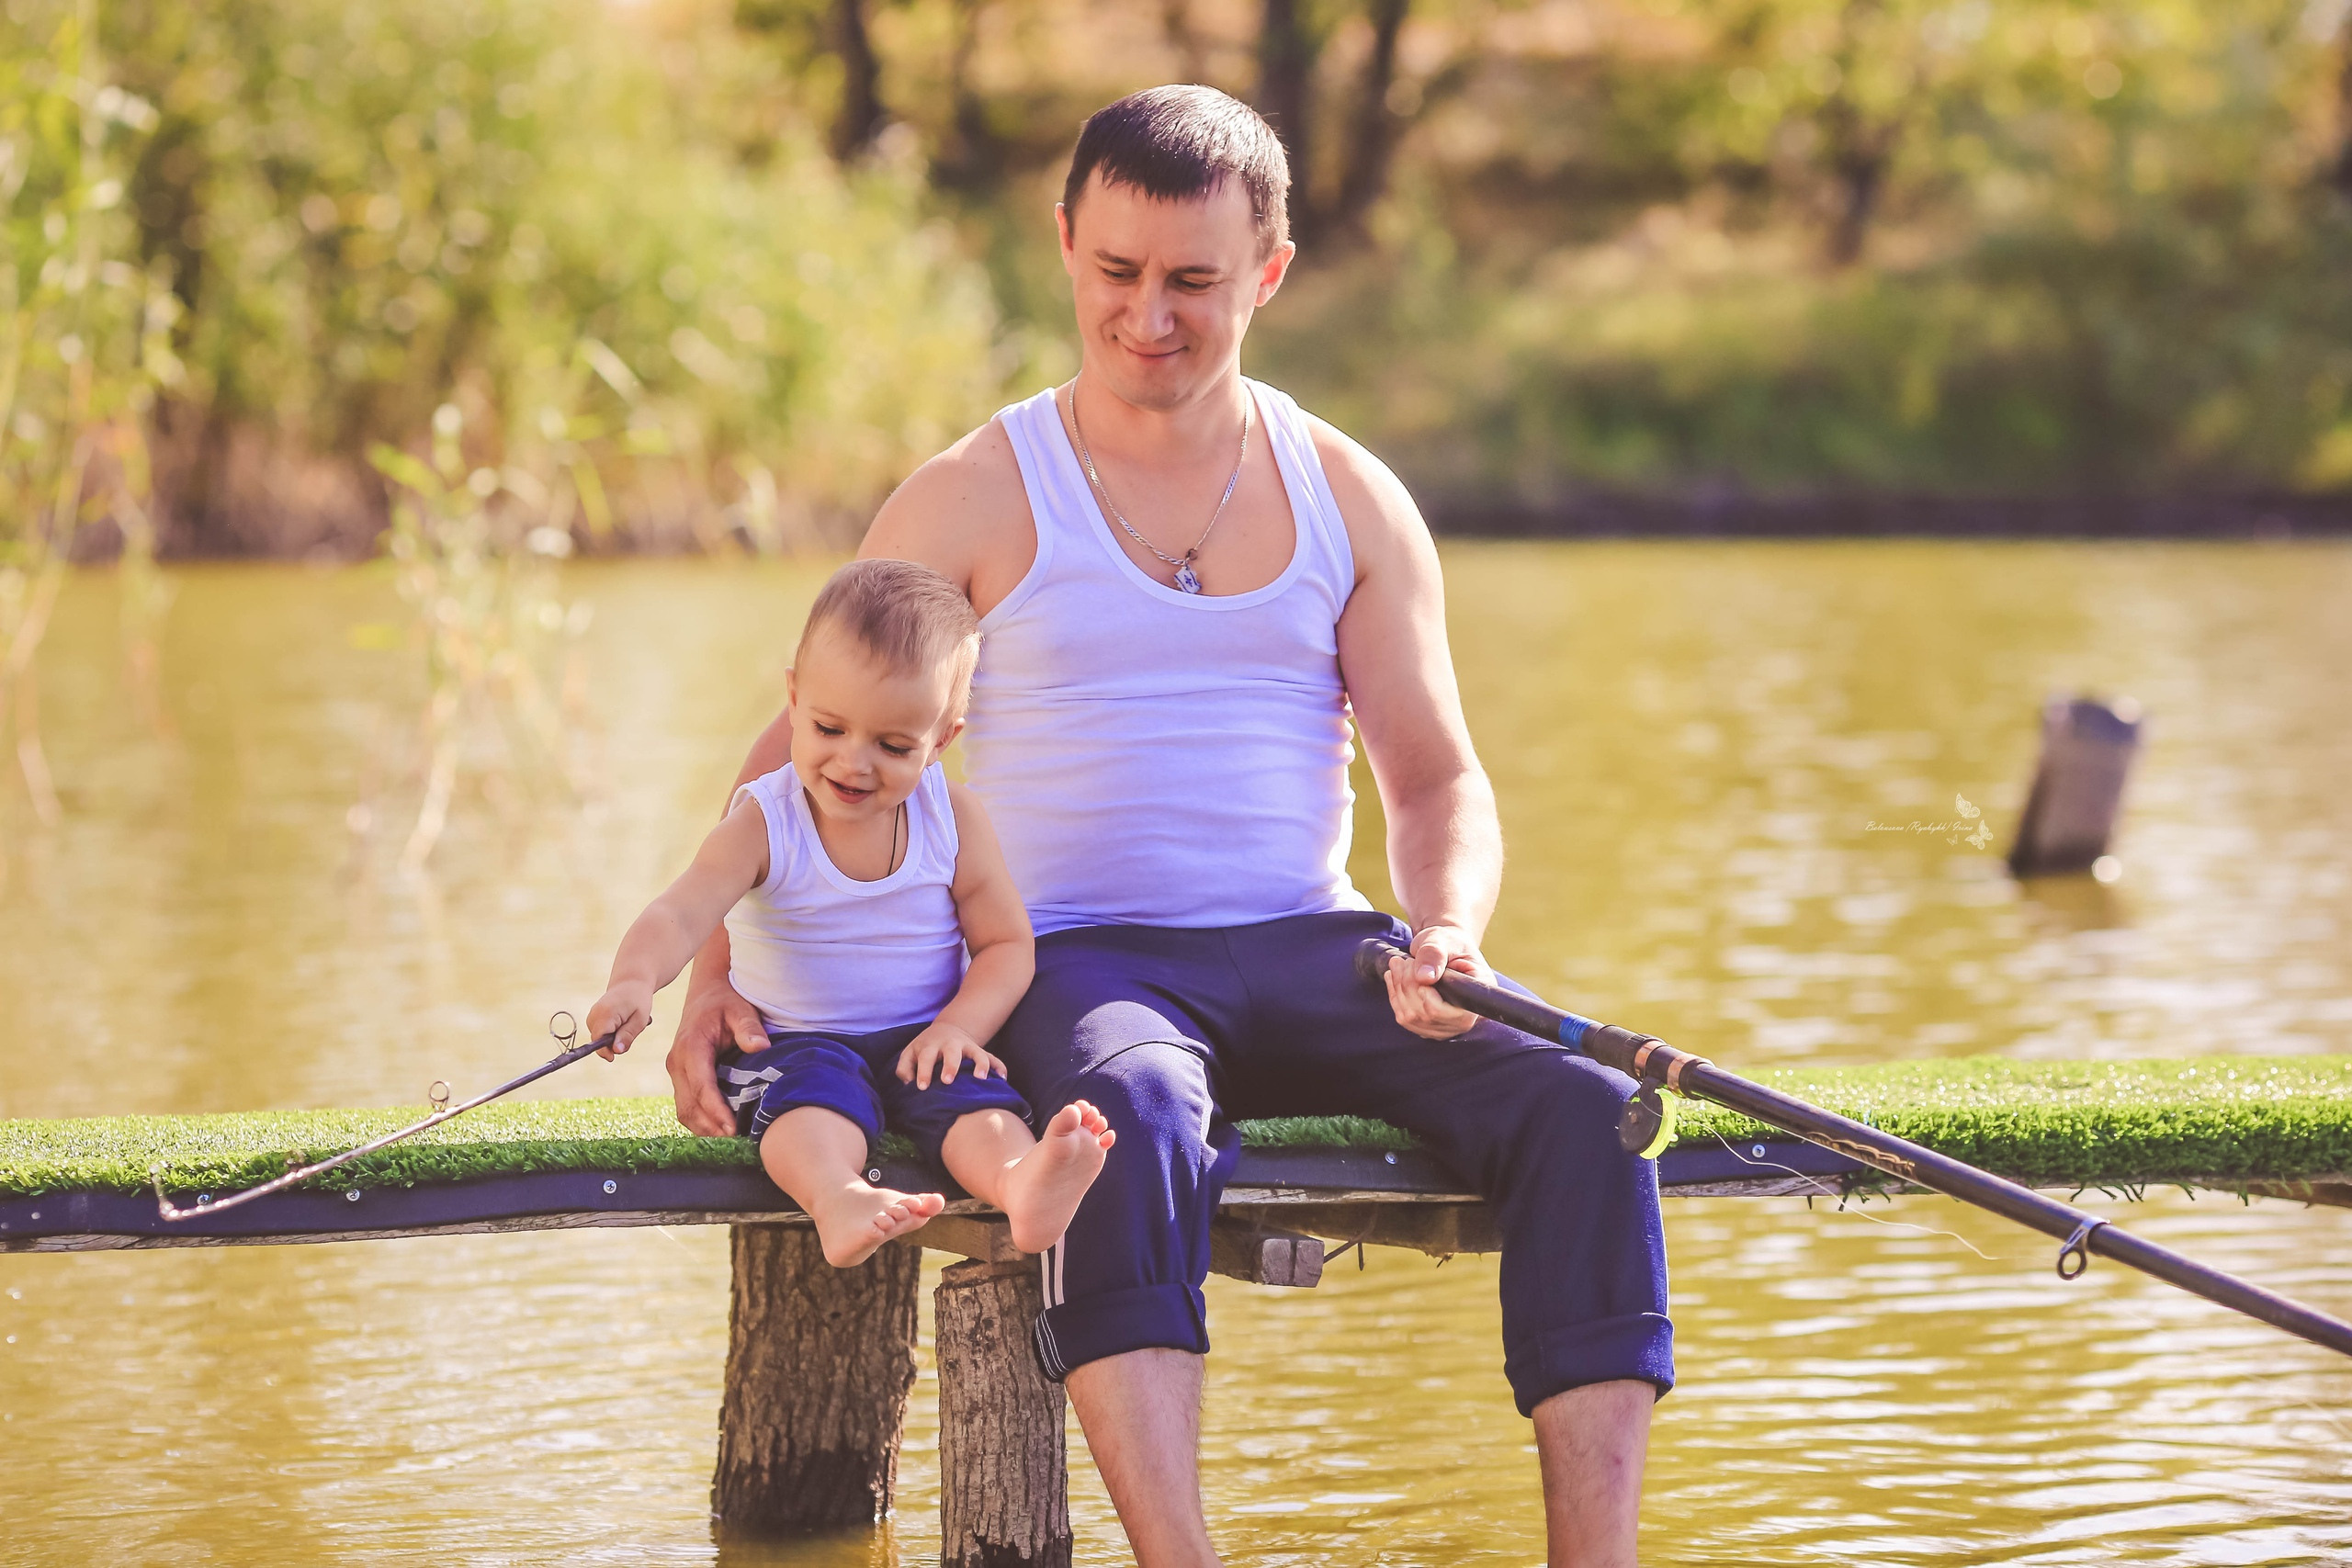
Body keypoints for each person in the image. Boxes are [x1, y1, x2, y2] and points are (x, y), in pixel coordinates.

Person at [667, 87, 1666, 1567]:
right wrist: (705, 976)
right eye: (1117, 272)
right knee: (1120, 1115)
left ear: (1267, 272)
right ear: (1067, 245)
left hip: (1321, 945)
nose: (1149, 316)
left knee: (1590, 1110)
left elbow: (1437, 777)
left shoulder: (1350, 496)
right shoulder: (974, 494)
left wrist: (1445, 925)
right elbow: (804, 750)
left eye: (1193, 281)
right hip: (1078, 961)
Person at [585, 558, 1114, 1268]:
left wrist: (958, 1027)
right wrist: (634, 981)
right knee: (810, 1105)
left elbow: (1006, 945)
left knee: (974, 1100)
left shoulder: (953, 820)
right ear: (795, 698)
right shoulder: (765, 822)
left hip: (919, 1036)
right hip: (795, 1040)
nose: (853, 762)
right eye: (829, 727)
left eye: (894, 745)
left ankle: (1025, 1187)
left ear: (943, 740)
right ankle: (837, 1197)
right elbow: (681, 913)